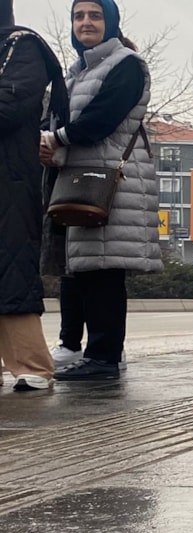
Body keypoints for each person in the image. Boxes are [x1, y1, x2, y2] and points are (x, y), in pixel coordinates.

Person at [40, 0, 161, 382]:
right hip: (82, 176)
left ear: (110, 21)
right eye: (79, 16)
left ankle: (104, 356)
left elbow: (102, 118)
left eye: (95, 15)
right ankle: (97, 353)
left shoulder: (126, 64)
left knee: (105, 270)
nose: (85, 22)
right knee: (86, 269)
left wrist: (55, 138)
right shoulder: (81, 70)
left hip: (109, 181)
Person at [0, 0, 68, 391]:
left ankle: (32, 364)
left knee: (11, 268)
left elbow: (10, 105)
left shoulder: (22, 46)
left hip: (9, 182)